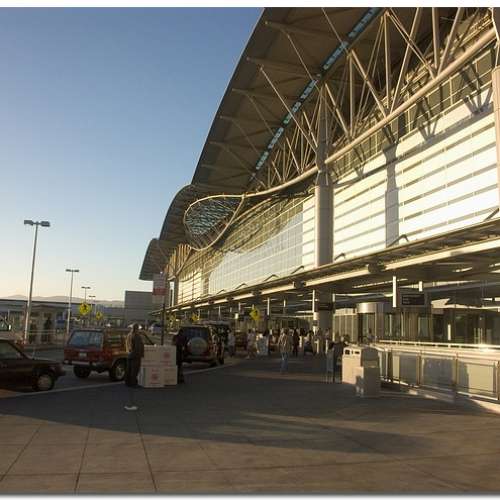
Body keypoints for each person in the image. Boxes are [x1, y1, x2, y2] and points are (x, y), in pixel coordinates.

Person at [125, 323, 144, 387]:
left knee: (129, 369)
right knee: (134, 370)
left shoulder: (129, 335)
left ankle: (127, 382)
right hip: (135, 355)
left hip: (129, 354)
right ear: (137, 329)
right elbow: (138, 347)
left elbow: (126, 344)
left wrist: (128, 352)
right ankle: (133, 383)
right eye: (138, 328)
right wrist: (140, 354)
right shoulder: (136, 336)